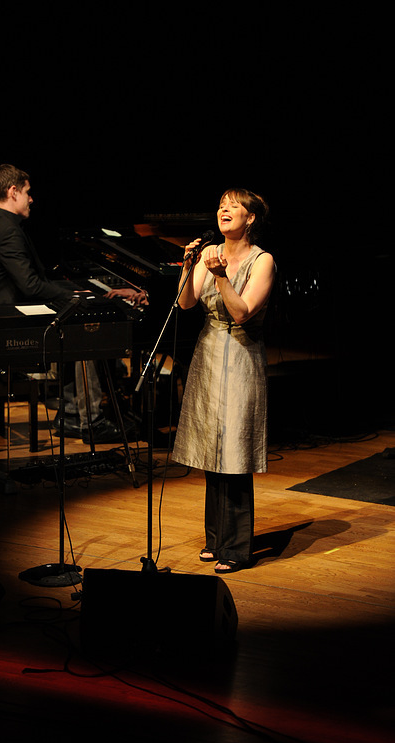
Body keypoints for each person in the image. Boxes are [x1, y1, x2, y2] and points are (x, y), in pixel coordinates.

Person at [0, 164, 145, 443]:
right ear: (13, 191)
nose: (31, 199)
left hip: (7, 310)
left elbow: (32, 281)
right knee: (85, 335)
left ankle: (70, 414)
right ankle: (91, 421)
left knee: (73, 324)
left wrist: (72, 290)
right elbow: (30, 285)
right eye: (28, 193)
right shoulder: (9, 231)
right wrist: (72, 296)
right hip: (8, 320)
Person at [172, 188, 275, 574]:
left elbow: (242, 312)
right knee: (211, 448)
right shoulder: (208, 252)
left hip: (242, 354)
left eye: (233, 206)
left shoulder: (262, 261)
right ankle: (215, 539)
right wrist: (188, 265)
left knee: (234, 450)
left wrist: (221, 277)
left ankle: (237, 547)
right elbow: (185, 303)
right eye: (220, 206)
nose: (223, 210)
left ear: (250, 218)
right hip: (210, 353)